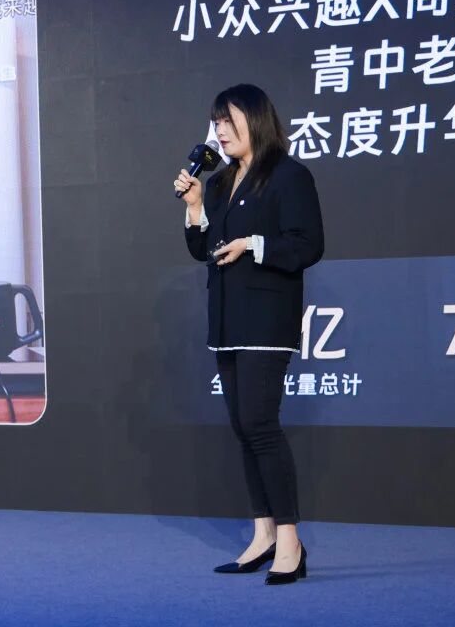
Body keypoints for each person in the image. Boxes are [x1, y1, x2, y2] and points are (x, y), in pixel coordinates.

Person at [174, 83, 324, 585]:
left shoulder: (288, 175)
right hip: (227, 321)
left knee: (260, 423)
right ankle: (263, 535)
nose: (219, 131)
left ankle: (290, 541)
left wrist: (253, 244)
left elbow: (308, 244)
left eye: (228, 120)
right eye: (216, 122)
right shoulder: (218, 183)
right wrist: (195, 206)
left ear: (255, 119)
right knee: (243, 427)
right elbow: (204, 249)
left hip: (266, 319)